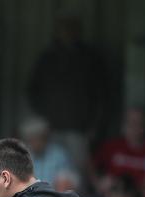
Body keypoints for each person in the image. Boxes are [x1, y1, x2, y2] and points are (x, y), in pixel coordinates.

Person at [27, 13, 107, 167]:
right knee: (49, 172)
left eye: (72, 28)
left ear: (79, 31)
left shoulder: (90, 57)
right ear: (57, 31)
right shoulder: (48, 57)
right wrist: (42, 119)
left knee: (76, 172)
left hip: (79, 128)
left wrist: (94, 125)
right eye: (63, 28)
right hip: (50, 129)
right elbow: (32, 90)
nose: (67, 32)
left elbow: (101, 94)